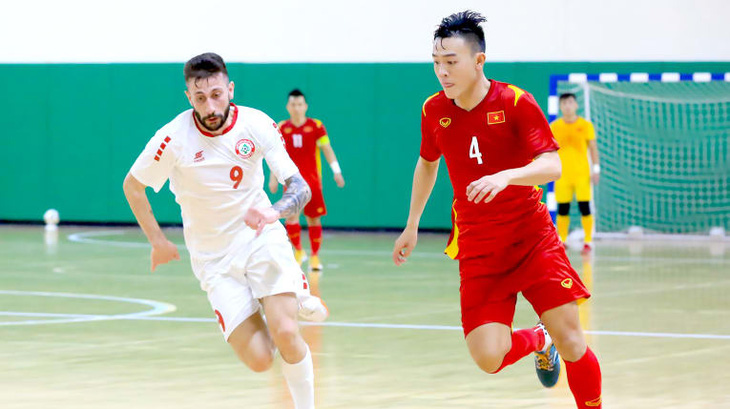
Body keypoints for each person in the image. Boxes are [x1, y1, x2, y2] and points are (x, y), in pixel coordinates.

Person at [392, 11, 602, 409]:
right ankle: (539, 339)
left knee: (573, 341)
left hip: (531, 238)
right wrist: (412, 224)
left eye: (451, 62)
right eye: (436, 63)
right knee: (488, 356)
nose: (442, 72)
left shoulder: (515, 101)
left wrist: (506, 176)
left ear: (478, 61)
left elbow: (551, 165)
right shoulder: (433, 110)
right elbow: (427, 163)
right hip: (479, 247)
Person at [123, 52, 327, 409]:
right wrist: (157, 241)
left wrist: (273, 212)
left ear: (230, 88)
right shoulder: (172, 138)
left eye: (217, 94)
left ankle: (289, 296)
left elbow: (300, 187)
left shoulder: (256, 123)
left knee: (287, 331)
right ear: (189, 98)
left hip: (260, 239)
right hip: (214, 260)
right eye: (200, 98)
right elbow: (133, 186)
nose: (210, 104)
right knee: (261, 359)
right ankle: (288, 295)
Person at [269, 89, 345, 272]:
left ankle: (315, 256)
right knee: (291, 217)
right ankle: (299, 252)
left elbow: (327, 149)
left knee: (313, 219)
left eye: (300, 104)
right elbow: (275, 155)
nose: (297, 108)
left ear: (306, 106)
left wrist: (337, 171)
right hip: (291, 182)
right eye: (293, 104)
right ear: (288, 107)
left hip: (312, 182)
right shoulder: (282, 127)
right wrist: (273, 178)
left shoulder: (316, 126)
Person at [551, 93, 601, 254]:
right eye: (564, 103)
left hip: (582, 174)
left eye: (570, 102)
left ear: (576, 105)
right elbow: (549, 151)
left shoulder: (586, 125)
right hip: (562, 175)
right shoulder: (554, 126)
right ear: (560, 106)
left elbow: (593, 148)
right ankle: (562, 239)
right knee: (562, 208)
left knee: (584, 207)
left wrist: (596, 169)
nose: (567, 106)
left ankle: (588, 241)